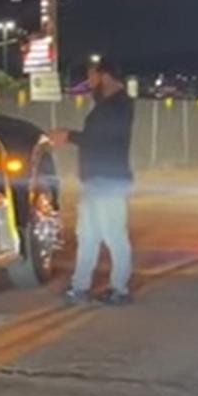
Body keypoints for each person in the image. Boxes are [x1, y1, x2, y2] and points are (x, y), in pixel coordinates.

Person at [50, 57, 134, 305]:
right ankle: (80, 287)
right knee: (87, 236)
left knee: (114, 235)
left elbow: (102, 139)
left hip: (109, 180)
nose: (89, 83)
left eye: (92, 77)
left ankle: (120, 289)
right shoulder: (108, 104)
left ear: (105, 76)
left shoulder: (118, 105)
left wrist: (69, 136)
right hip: (96, 180)